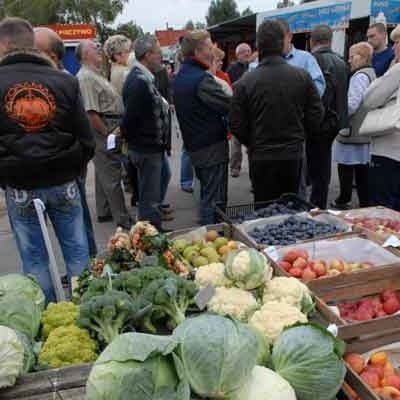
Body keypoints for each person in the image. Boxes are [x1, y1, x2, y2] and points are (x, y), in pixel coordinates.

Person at [0, 18, 95, 301]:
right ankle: (87, 311)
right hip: (63, 179)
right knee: (77, 251)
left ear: (4, 44)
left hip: (19, 184)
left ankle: (49, 316)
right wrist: (72, 167)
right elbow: (86, 138)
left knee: (34, 260)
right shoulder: (64, 80)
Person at [229, 20, 324, 202]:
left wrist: (253, 141)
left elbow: (236, 123)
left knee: (264, 209)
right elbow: (316, 113)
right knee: (291, 207)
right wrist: (300, 134)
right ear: (282, 43)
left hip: (262, 155)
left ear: (259, 46)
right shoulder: (301, 77)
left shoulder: (245, 83)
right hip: (291, 153)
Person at [34, 27, 97, 257]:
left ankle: (89, 265)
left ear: (51, 55)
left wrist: (76, 166)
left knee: (79, 227)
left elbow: (83, 131)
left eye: (34, 50)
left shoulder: (66, 81)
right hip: (48, 172)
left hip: (67, 171)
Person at [174, 30, 231, 225]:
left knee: (207, 195)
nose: (213, 51)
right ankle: (213, 236)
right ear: (198, 51)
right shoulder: (201, 79)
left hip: (196, 146)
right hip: (210, 148)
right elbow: (228, 104)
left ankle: (211, 234)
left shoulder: (182, 75)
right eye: (209, 47)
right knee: (214, 201)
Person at [76, 40, 131, 229]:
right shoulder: (85, 77)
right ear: (84, 55)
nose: (99, 48)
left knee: (104, 172)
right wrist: (108, 134)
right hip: (104, 126)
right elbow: (91, 112)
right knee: (111, 173)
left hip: (108, 124)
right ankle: (123, 220)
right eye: (94, 47)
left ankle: (104, 210)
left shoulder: (94, 74)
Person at [122, 35, 170, 230]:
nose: (161, 57)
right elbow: (129, 120)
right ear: (148, 55)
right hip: (146, 148)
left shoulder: (143, 77)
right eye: (158, 53)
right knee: (149, 195)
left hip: (150, 147)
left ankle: (150, 227)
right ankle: (150, 234)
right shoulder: (138, 82)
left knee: (158, 183)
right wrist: (139, 144)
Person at [278, 19, 326, 200]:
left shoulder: (305, 59)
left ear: (289, 37)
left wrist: (299, 106)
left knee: (296, 181)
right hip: (269, 131)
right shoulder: (263, 61)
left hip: (295, 129)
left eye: (279, 38)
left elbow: (319, 86)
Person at [307, 25, 350, 209]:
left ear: (312, 41)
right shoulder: (342, 62)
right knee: (323, 165)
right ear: (330, 40)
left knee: (310, 165)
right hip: (335, 122)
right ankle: (319, 204)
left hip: (317, 122)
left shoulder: (312, 60)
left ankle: (312, 206)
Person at [332, 42, 376, 209]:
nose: (349, 61)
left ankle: (344, 199)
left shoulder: (359, 76)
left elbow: (351, 105)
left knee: (346, 167)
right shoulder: (371, 73)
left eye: (352, 57)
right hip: (363, 131)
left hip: (353, 132)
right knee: (361, 170)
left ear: (362, 57)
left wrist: (338, 114)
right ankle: (364, 202)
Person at [362, 25, 400, 210]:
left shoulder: (398, 70)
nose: (394, 48)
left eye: (398, 42)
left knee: (384, 211)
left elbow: (369, 99)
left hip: (390, 150)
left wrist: (388, 72)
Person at [103, 34, 139, 210]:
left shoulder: (113, 71)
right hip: (126, 120)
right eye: (127, 51)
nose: (130, 54)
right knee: (131, 164)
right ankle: (137, 197)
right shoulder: (123, 73)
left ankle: (134, 194)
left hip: (121, 121)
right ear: (117, 55)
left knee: (128, 163)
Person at [227, 43, 252, 178]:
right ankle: (235, 167)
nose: (247, 53)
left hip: (252, 109)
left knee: (253, 142)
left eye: (248, 51)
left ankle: (254, 169)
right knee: (236, 142)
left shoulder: (255, 66)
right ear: (237, 55)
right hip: (238, 109)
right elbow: (231, 87)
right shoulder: (232, 69)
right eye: (243, 52)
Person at [154, 63, 174, 222]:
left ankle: (157, 206)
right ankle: (153, 213)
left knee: (164, 174)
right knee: (155, 177)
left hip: (158, 140)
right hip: (151, 141)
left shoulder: (159, 72)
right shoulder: (140, 79)